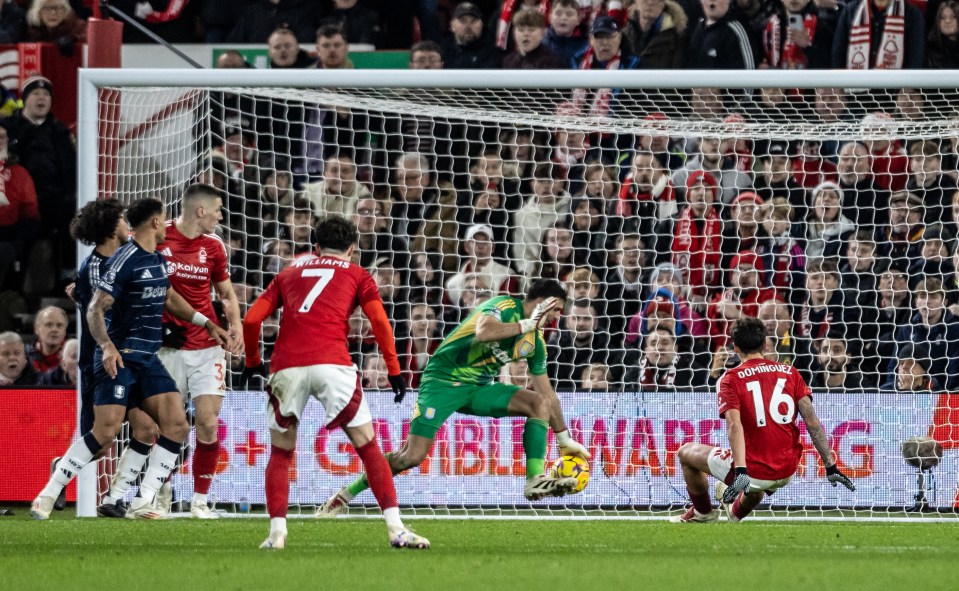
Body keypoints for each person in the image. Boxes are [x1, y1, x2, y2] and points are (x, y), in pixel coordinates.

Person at [318, 278, 591, 516]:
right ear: (542, 302)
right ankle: (346, 495)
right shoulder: (505, 306)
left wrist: (565, 440)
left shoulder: (536, 343)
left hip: (479, 388)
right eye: (555, 309)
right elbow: (484, 331)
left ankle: (534, 479)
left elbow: (548, 393)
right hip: (442, 382)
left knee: (537, 403)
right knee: (411, 457)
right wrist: (526, 324)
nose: (557, 317)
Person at [31, 197, 229, 521]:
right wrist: (108, 347)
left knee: (174, 425)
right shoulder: (119, 262)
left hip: (146, 359)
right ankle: (48, 493)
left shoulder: (157, 260)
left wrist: (207, 323)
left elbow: (166, 297)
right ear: (154, 222)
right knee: (105, 434)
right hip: (117, 358)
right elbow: (95, 309)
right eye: (163, 218)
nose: (167, 226)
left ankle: (142, 500)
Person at [242, 215, 427, 550]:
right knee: (369, 449)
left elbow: (252, 318)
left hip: (288, 366)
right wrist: (395, 369)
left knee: (281, 452)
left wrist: (253, 362)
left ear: (315, 248)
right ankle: (396, 529)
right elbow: (380, 322)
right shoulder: (357, 274)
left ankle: (276, 534)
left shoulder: (288, 274)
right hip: (333, 363)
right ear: (352, 250)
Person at [99, 184, 244, 519]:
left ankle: (199, 502)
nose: (221, 217)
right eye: (218, 209)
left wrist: (235, 326)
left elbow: (225, 294)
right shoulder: (158, 239)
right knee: (158, 425)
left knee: (207, 422)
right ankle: (150, 492)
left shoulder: (214, 246)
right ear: (200, 211)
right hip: (165, 347)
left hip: (207, 347)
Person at [671, 316, 855, 523]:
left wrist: (740, 470)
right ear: (766, 345)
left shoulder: (730, 379)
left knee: (685, 452)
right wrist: (830, 465)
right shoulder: (790, 373)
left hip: (754, 471)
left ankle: (703, 514)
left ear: (736, 348)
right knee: (756, 483)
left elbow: (734, 425)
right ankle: (735, 513)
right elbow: (812, 422)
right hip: (787, 471)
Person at [24, 305, 67, 374]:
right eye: (49, 325)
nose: (54, 330)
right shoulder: (24, 356)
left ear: (65, 331)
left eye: (59, 325)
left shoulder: (74, 357)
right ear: (37, 329)